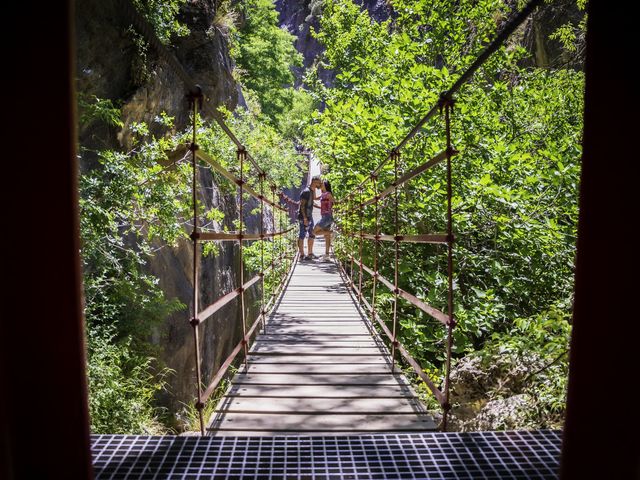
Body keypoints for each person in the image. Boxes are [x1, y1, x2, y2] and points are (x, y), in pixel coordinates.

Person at [297, 175, 322, 260]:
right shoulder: (306, 191)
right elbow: (302, 205)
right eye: (319, 182)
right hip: (304, 217)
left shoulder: (311, 190)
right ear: (314, 182)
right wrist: (304, 218)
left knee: (312, 234)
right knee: (302, 235)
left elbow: (312, 201)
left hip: (309, 216)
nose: (320, 184)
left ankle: (310, 254)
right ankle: (302, 255)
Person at [313, 180, 336, 261]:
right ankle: (327, 255)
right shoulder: (323, 194)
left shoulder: (328, 194)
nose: (320, 185)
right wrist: (315, 187)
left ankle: (332, 232)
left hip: (327, 216)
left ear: (325, 185)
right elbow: (314, 198)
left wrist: (332, 207)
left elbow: (334, 202)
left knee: (314, 232)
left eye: (321, 184)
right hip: (324, 216)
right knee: (326, 237)